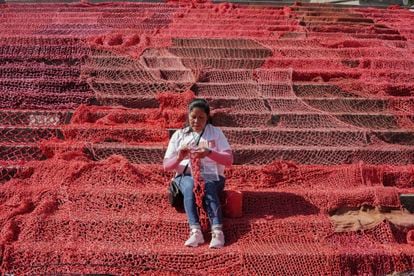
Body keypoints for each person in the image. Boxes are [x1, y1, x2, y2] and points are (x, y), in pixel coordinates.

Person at [163, 98, 233, 248]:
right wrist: (180, 157)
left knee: (207, 185)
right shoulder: (179, 134)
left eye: (201, 117)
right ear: (188, 116)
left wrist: (209, 153)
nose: (196, 121)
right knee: (189, 186)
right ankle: (196, 231)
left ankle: (217, 231)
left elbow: (228, 160)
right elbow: (167, 166)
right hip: (185, 175)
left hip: (213, 176)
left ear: (207, 118)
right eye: (193, 117)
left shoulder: (215, 132)